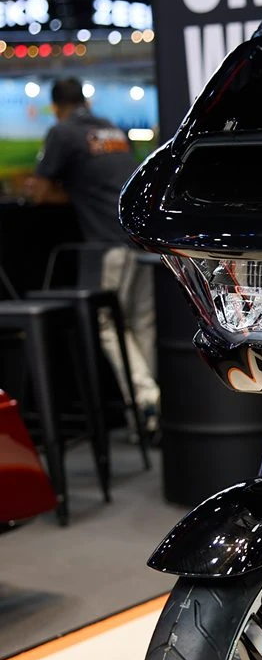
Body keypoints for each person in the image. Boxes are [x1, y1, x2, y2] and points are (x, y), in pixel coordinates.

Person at [25, 77, 160, 433]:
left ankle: (147, 399)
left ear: (56, 107)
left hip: (108, 244)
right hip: (142, 241)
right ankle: (148, 416)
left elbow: (39, 194)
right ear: (85, 100)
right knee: (141, 325)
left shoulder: (63, 132)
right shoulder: (111, 128)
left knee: (107, 325)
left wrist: (72, 195)